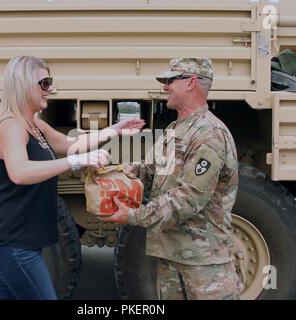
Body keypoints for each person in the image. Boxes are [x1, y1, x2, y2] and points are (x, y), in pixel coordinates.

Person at [0, 55, 144, 300]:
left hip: (21, 241)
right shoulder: (11, 125)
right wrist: (76, 162)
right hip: (13, 242)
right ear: (24, 84)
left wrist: (114, 130)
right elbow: (19, 172)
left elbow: (70, 144)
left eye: (50, 82)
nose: (51, 89)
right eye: (45, 83)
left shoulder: (33, 123)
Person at [102, 58, 243, 300]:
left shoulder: (209, 134)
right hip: (171, 254)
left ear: (191, 83)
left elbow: (186, 200)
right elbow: (152, 170)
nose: (165, 87)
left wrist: (133, 216)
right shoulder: (175, 129)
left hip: (204, 263)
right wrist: (124, 172)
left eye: (170, 81)